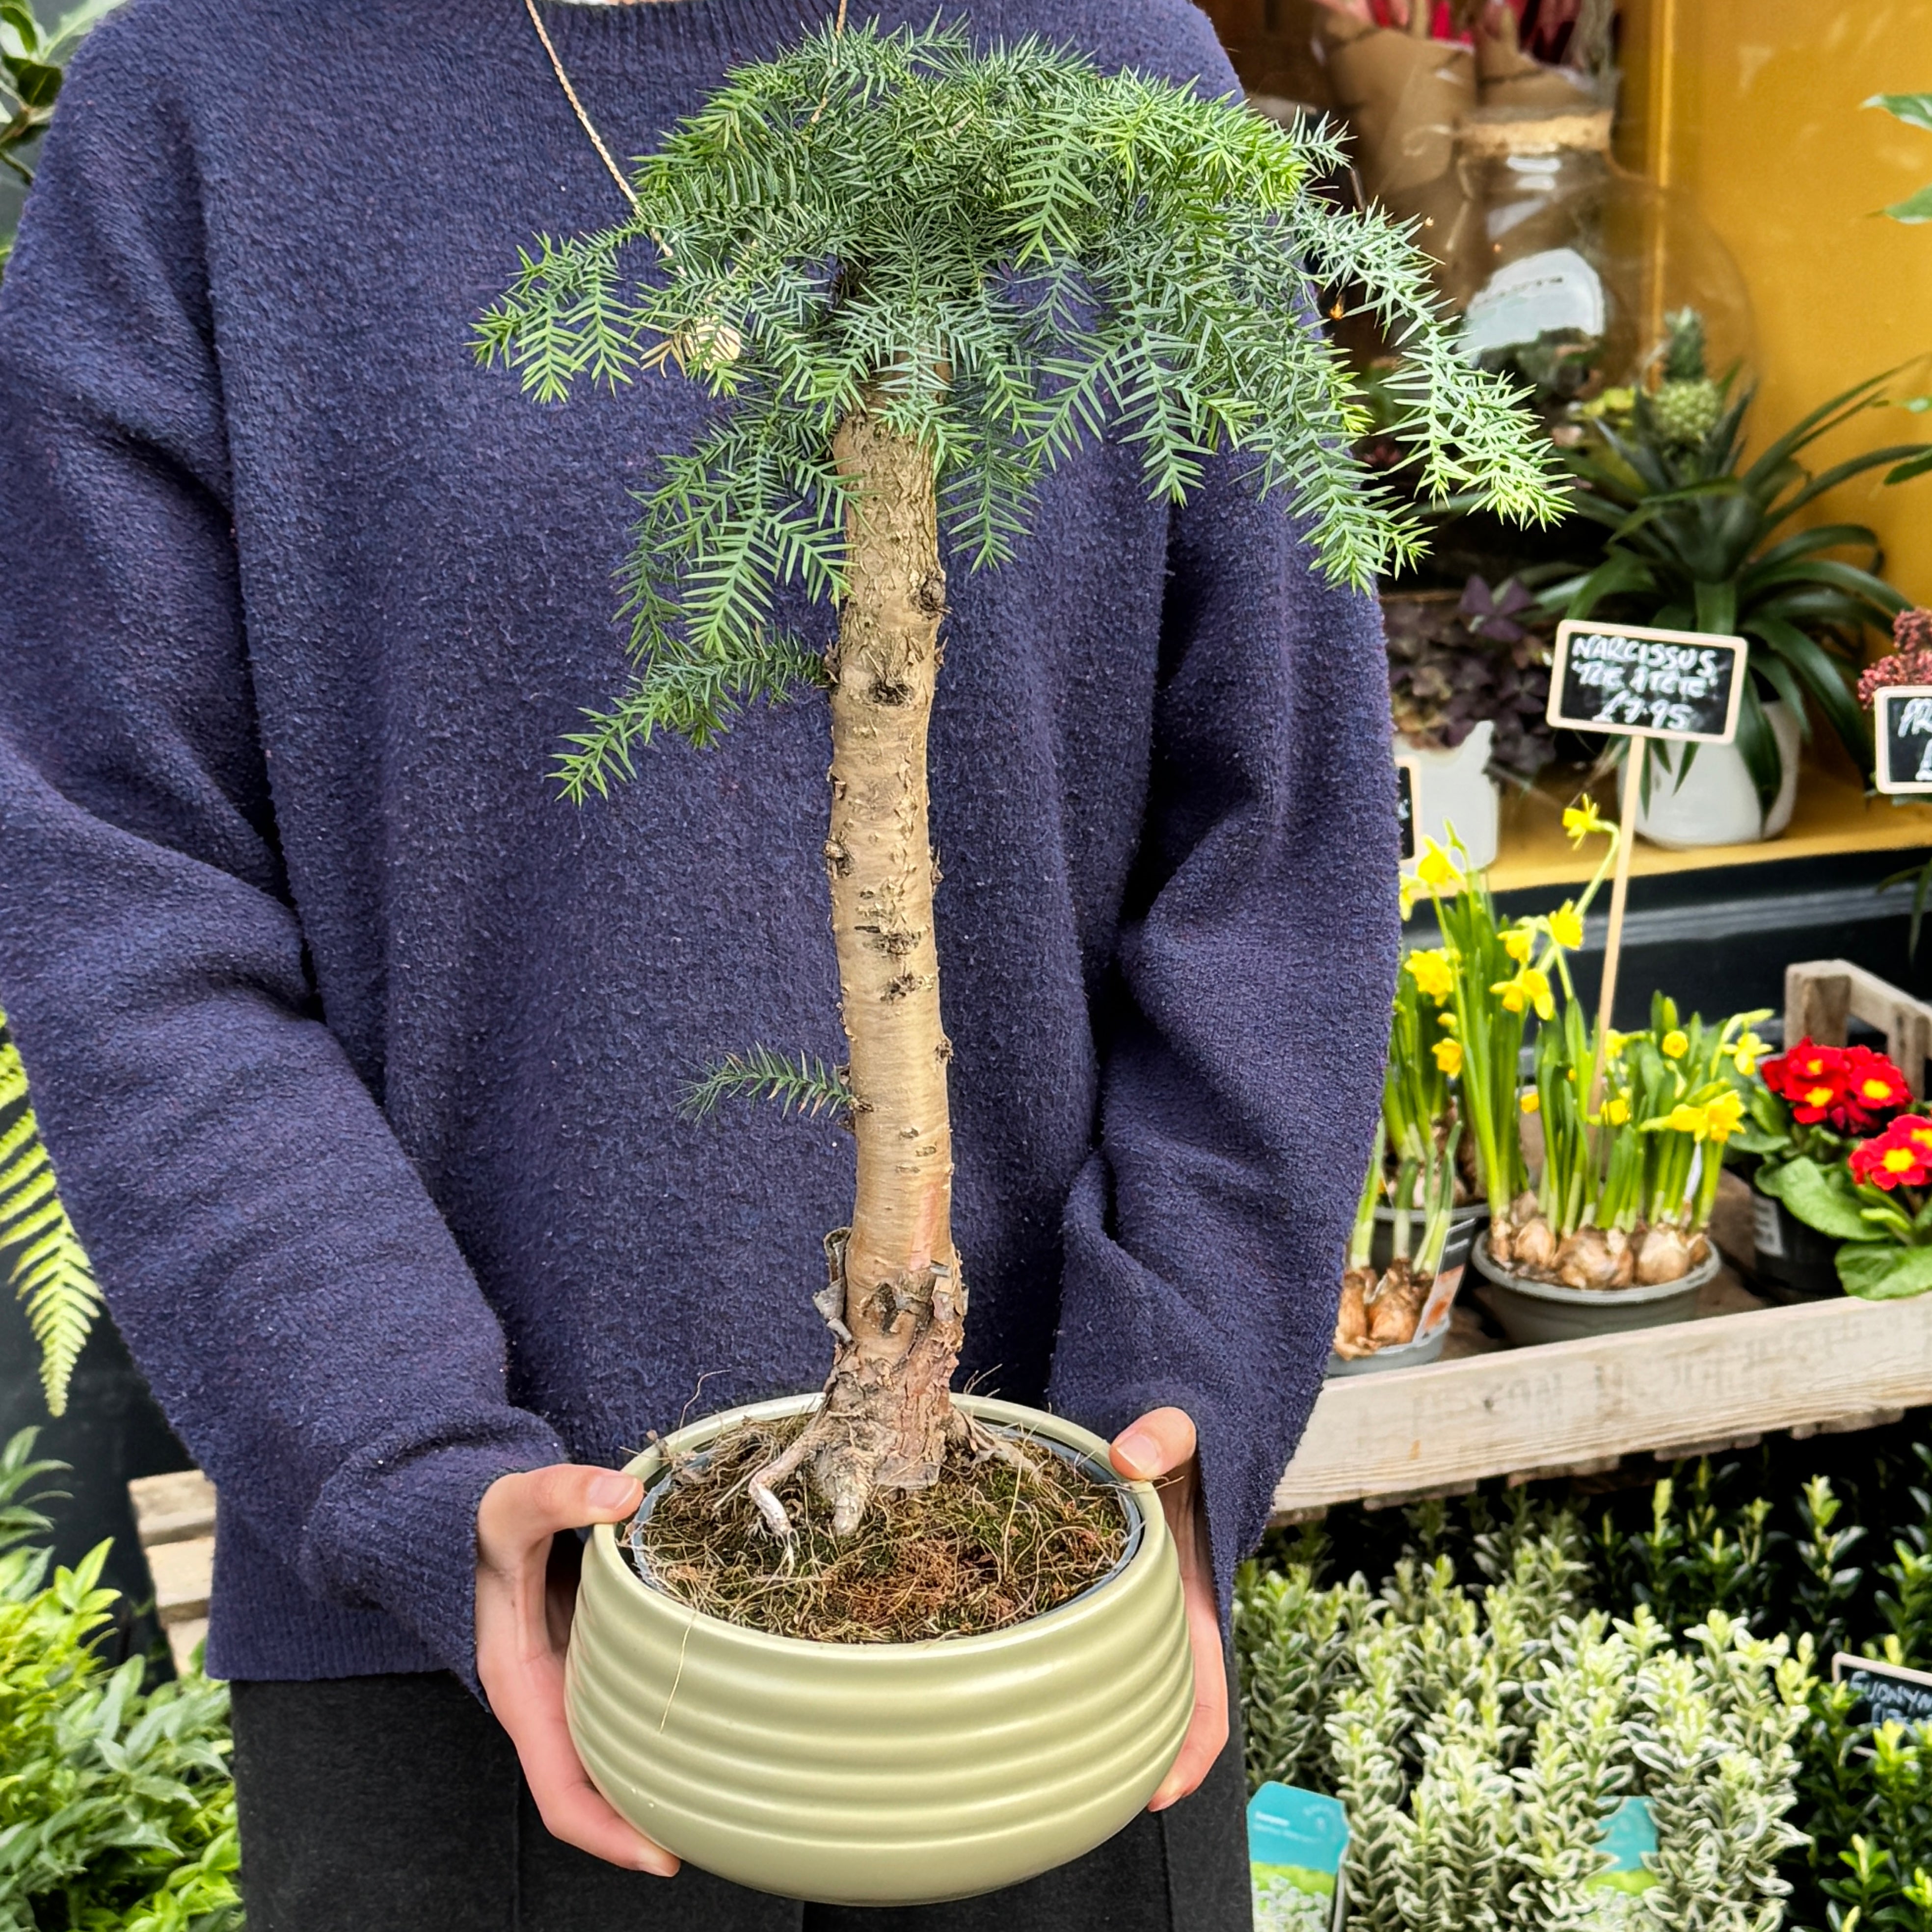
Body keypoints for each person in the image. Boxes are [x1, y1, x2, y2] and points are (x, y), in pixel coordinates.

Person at [0, 0, 1398, 1922]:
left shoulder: (1109, 82)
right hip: (451, 1687)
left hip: (1048, 1628)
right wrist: (414, 1463)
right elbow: (128, 891)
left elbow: (1279, 845)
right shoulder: (207, 108)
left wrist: (1174, 1419)